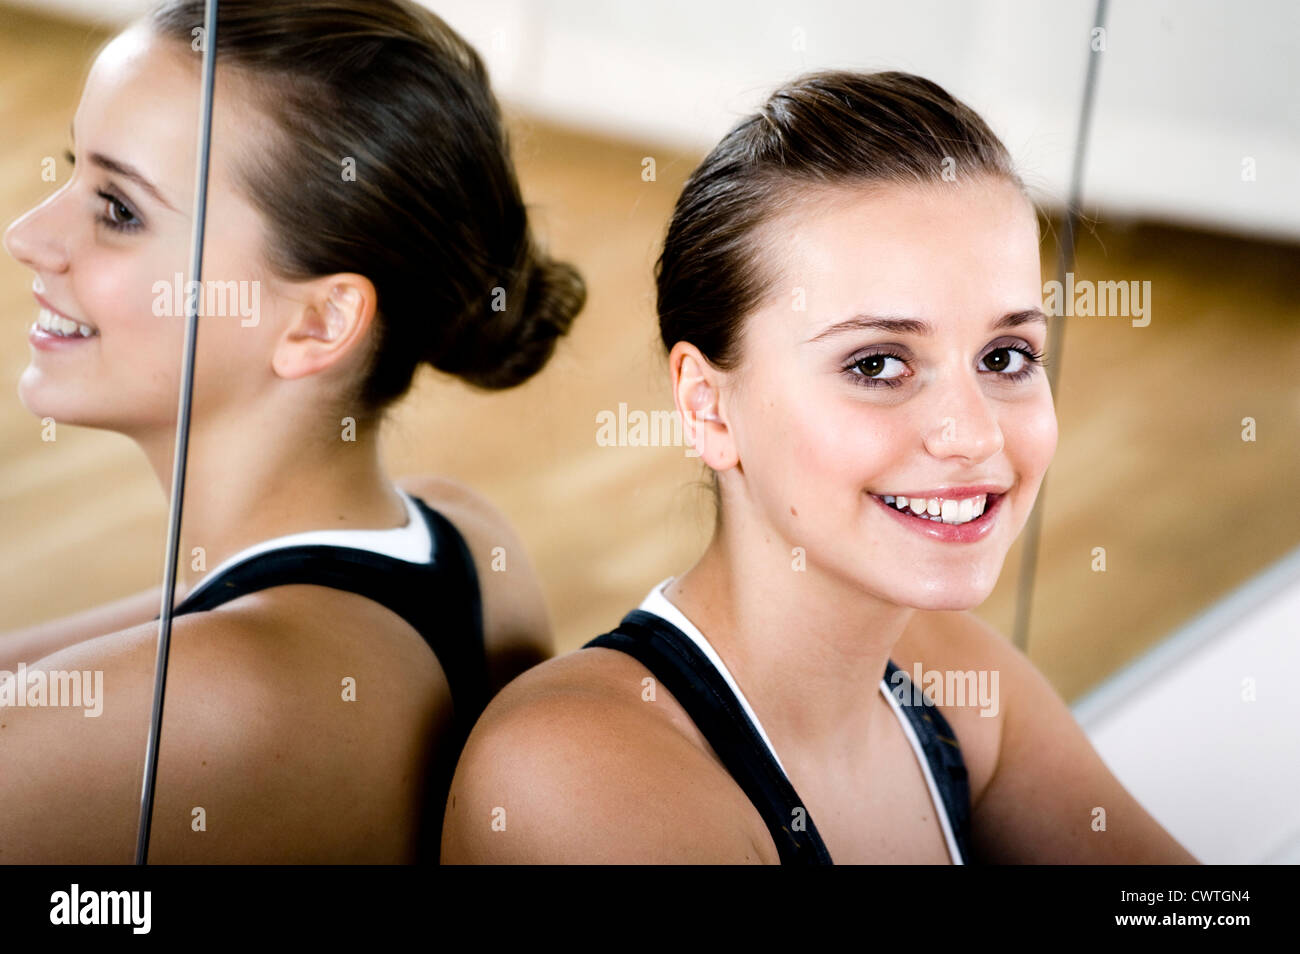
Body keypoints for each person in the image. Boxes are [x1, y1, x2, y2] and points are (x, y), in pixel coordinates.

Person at [441, 70, 1198, 864]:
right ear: (707, 407)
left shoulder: (951, 671)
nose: (973, 435)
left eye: (1006, 355)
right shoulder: (573, 780)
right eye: (877, 365)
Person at [0, 0, 584, 863]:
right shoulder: (462, 539)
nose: (29, 235)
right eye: (71, 171)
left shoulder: (215, 696)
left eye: (119, 208)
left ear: (318, 322)